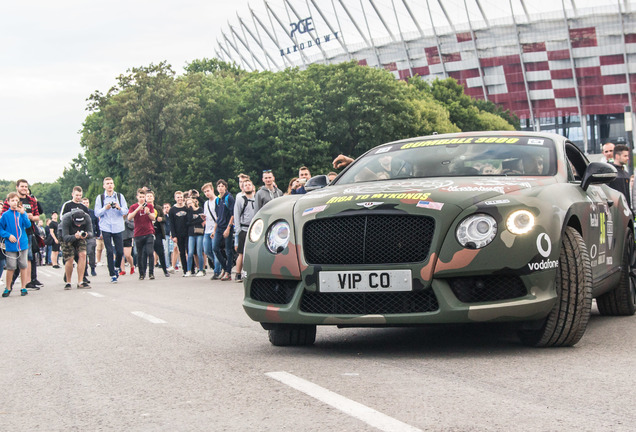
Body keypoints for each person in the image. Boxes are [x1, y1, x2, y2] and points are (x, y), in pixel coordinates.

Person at [2, 179, 40, 290]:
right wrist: (7, 234)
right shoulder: (8, 201)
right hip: (12, 234)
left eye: (26, 187)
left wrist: (29, 216)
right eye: (22, 186)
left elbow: (37, 216)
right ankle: (10, 285)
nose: (24, 188)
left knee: (28, 258)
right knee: (12, 264)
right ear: (17, 187)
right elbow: (3, 215)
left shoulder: (31, 200)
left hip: (27, 232)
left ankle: (27, 283)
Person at [94, 177, 128, 283]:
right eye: (107, 183)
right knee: (109, 251)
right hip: (106, 226)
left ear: (114, 185)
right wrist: (105, 208)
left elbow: (125, 210)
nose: (109, 185)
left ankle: (117, 266)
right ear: (104, 186)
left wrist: (119, 207)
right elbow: (97, 213)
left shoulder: (119, 196)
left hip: (118, 226)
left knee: (119, 251)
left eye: (111, 183)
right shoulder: (100, 198)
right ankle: (112, 274)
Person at [0, 192, 32, 297]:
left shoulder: (21, 213)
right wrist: (7, 235)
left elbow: (28, 225)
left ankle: (23, 287)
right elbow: (1, 229)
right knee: (11, 266)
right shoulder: (5, 215)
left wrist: (23, 214)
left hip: (22, 244)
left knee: (23, 265)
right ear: (8, 202)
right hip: (11, 245)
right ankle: (8, 287)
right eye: (12, 200)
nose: (14, 203)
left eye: (16, 200)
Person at [60, 208, 93, 289]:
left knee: (83, 254)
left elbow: (91, 233)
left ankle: (80, 281)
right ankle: (68, 282)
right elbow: (65, 237)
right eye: (77, 223)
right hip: (67, 236)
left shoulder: (87, 217)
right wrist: (74, 236)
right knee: (70, 258)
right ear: (72, 219)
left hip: (80, 236)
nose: (79, 225)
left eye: (81, 223)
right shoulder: (66, 218)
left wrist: (86, 234)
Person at [128, 188, 156, 280]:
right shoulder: (133, 206)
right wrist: (137, 209)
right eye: (140, 197)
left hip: (148, 232)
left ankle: (151, 273)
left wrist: (148, 212)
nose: (142, 199)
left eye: (143, 197)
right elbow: (129, 217)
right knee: (139, 254)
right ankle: (141, 273)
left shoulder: (149, 206)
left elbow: (153, 218)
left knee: (150, 252)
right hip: (138, 233)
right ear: (137, 197)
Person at [233, 178, 256, 282]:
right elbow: (236, 215)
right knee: (241, 253)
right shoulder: (240, 200)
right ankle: (238, 273)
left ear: (253, 187)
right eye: (245, 185)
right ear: (242, 187)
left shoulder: (256, 199)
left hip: (255, 230)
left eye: (249, 185)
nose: (247, 186)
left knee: (254, 252)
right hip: (244, 229)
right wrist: (238, 231)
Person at [212, 179, 235, 281]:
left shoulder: (229, 198)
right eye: (219, 186)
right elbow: (218, 216)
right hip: (219, 227)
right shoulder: (217, 200)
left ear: (225, 187)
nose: (220, 187)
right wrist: (214, 230)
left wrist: (228, 228)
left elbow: (233, 214)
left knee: (228, 250)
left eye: (222, 186)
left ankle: (228, 272)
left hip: (227, 227)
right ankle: (225, 268)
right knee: (215, 248)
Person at [145, 191, 170, 277]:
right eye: (147, 196)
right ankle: (146, 272)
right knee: (148, 253)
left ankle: (165, 270)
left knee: (161, 252)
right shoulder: (143, 207)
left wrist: (161, 219)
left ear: (153, 198)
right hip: (147, 232)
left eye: (151, 196)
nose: (149, 197)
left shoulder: (158, 208)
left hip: (157, 232)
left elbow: (165, 218)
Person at [201, 183, 222, 280]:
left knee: (215, 250)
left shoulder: (217, 201)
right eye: (205, 192)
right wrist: (203, 218)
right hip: (207, 229)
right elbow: (207, 214)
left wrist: (215, 230)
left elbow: (219, 217)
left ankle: (217, 271)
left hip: (216, 229)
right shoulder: (206, 203)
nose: (206, 193)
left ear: (212, 190)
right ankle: (220, 263)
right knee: (207, 250)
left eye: (208, 191)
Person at [169, 191, 189, 275]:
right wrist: (174, 236)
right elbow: (171, 224)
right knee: (182, 252)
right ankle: (185, 270)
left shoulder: (187, 208)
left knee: (189, 251)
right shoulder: (172, 210)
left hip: (188, 233)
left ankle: (191, 268)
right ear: (175, 198)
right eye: (178, 197)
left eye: (181, 197)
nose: (180, 199)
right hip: (178, 234)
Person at [185, 197, 205, 277]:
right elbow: (188, 222)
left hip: (199, 232)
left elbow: (201, 219)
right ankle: (189, 270)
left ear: (194, 202)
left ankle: (201, 269)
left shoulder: (199, 209)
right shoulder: (188, 212)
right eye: (188, 203)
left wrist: (194, 221)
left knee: (199, 252)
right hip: (191, 234)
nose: (190, 204)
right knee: (190, 253)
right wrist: (191, 211)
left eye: (191, 203)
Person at [608, 144, 632, 208]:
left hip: (626, 210)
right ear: (617, 156)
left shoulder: (626, 174)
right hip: (615, 209)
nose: (627, 158)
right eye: (625, 156)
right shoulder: (609, 173)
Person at [82, 197, 99, 277]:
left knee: (91, 252)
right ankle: (84, 270)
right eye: (84, 203)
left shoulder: (93, 212)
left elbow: (97, 223)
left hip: (91, 235)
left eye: (87, 202)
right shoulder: (79, 212)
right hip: (82, 236)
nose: (86, 204)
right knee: (83, 253)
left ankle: (92, 268)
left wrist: (98, 234)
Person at [162, 202, 175, 272]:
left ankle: (175, 264)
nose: (166, 209)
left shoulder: (172, 215)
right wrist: (164, 215)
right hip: (165, 234)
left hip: (172, 234)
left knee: (173, 249)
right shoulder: (164, 217)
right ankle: (167, 265)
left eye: (167, 207)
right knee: (166, 250)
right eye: (165, 208)